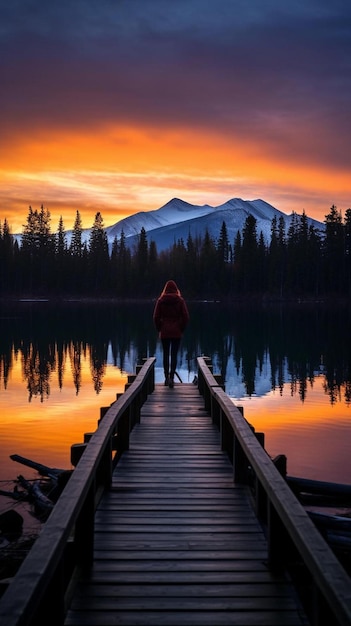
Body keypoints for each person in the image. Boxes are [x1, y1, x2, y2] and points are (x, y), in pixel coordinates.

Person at [153, 280, 189, 388]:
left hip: (165, 332)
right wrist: (180, 328)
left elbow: (155, 317)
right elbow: (186, 317)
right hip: (176, 332)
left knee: (165, 354)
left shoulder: (161, 300)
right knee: (174, 355)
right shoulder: (180, 301)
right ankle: (172, 378)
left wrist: (160, 328)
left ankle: (166, 378)